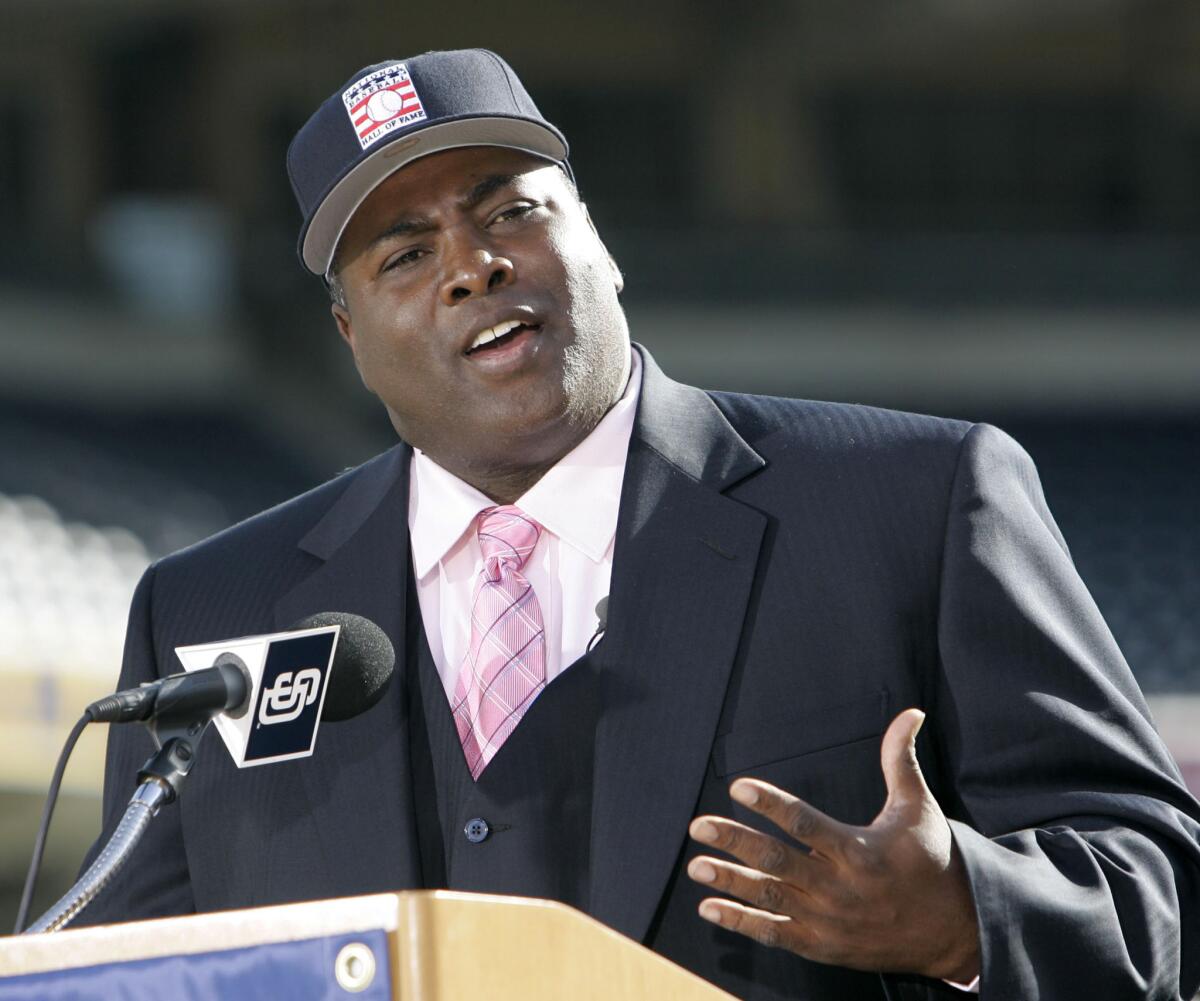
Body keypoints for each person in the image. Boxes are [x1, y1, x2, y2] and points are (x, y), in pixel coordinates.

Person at [81, 49, 1200, 1000]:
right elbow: (124, 965)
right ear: (348, 332)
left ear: (597, 241)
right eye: (406, 253)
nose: (472, 265)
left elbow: (1161, 880)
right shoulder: (206, 614)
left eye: (512, 208)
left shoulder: (917, 499)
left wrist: (964, 915)